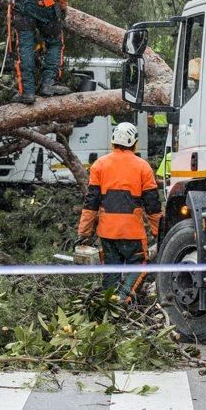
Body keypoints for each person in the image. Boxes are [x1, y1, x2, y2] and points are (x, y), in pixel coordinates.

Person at [77, 121, 163, 301]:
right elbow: (152, 206)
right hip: (132, 233)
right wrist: (159, 233)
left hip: (107, 233)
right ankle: (123, 300)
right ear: (134, 143)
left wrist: (84, 232)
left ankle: (109, 306)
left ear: (113, 141)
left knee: (111, 270)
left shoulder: (99, 165)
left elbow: (91, 203)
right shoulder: (143, 167)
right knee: (138, 265)